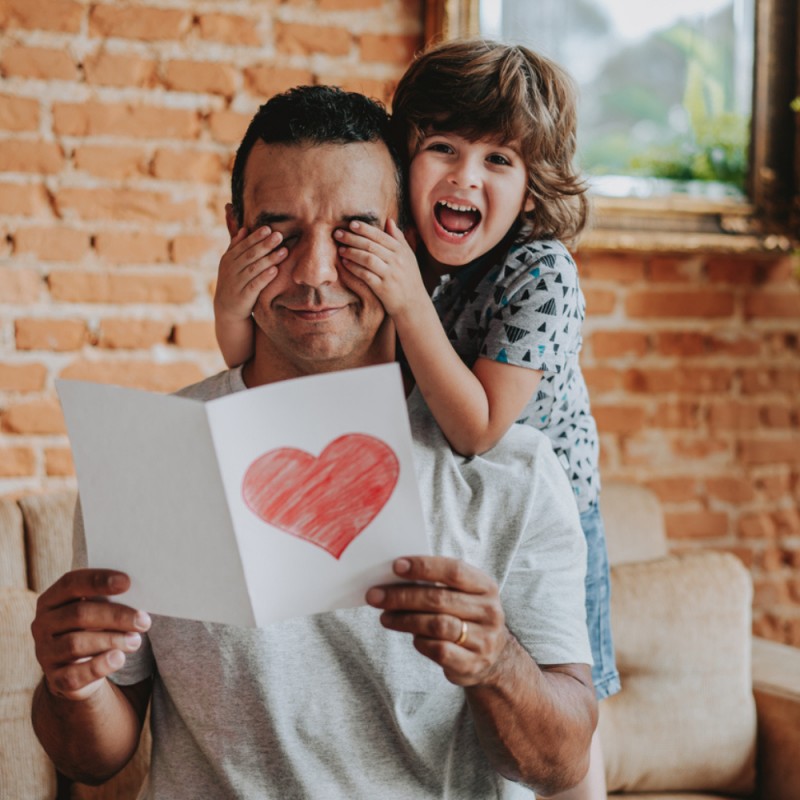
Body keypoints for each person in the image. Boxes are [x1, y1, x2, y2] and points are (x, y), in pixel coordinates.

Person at [31, 85, 596, 799]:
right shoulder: (152, 459)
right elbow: (97, 758)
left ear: (410, 240)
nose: (315, 273)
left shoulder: (511, 470)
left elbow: (564, 761)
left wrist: (497, 664)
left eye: (356, 231)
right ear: (235, 230)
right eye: (279, 232)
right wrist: (72, 685)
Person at [215, 40, 620, 800]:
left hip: (557, 503)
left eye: (499, 160)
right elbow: (244, 365)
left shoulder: (542, 277)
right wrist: (232, 300)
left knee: (575, 746)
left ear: (533, 190)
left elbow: (476, 431)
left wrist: (404, 300)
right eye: (443, 148)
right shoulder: (421, 255)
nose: (466, 176)